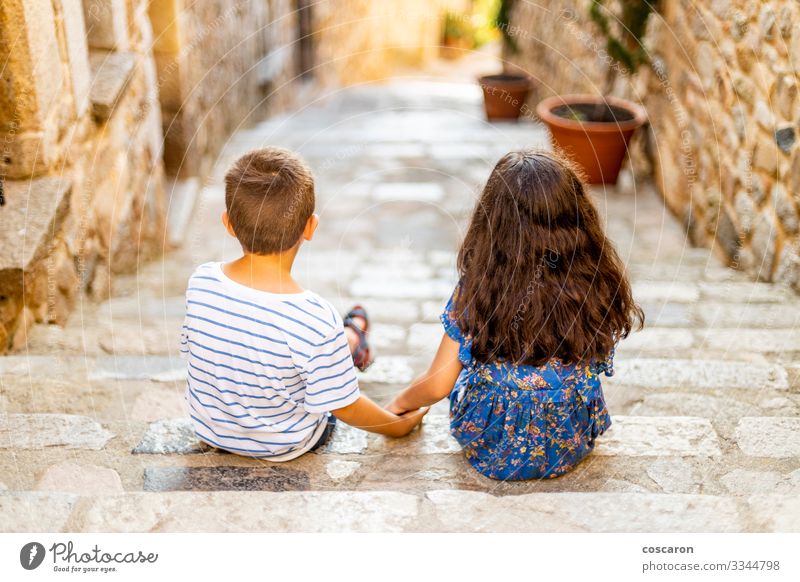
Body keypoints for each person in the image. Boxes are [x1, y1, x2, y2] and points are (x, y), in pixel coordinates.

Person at [386, 149, 643, 480]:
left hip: (494, 445)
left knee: (466, 364)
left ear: (493, 222)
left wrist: (399, 403)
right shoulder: (595, 280)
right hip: (568, 441)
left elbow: (437, 385)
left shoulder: (478, 290)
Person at [180, 147, 427, 460]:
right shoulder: (313, 317)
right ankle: (354, 335)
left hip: (212, 431)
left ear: (228, 224)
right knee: (328, 341)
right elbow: (345, 405)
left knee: (315, 344)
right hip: (288, 442)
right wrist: (395, 426)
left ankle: (351, 336)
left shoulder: (201, 282)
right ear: (310, 227)